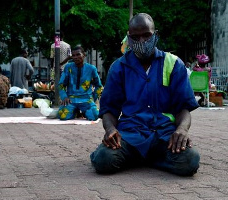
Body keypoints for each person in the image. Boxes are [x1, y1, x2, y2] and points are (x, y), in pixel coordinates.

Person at [90, 13, 200, 176]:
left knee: (190, 160)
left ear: (155, 35)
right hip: (130, 135)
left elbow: (183, 108)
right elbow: (109, 110)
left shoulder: (174, 64)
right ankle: (151, 158)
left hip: (164, 135)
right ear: (128, 38)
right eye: (135, 37)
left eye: (147, 35)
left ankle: (140, 158)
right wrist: (110, 129)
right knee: (104, 159)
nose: (141, 41)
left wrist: (182, 130)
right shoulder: (119, 67)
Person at [57, 45, 103, 121]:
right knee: (62, 115)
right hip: (71, 99)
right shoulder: (68, 67)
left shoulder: (91, 69)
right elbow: (61, 85)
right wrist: (64, 97)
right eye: (73, 55)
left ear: (84, 55)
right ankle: (75, 111)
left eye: (78, 54)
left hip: (86, 99)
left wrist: (93, 99)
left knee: (94, 116)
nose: (75, 57)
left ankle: (84, 112)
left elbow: (99, 86)